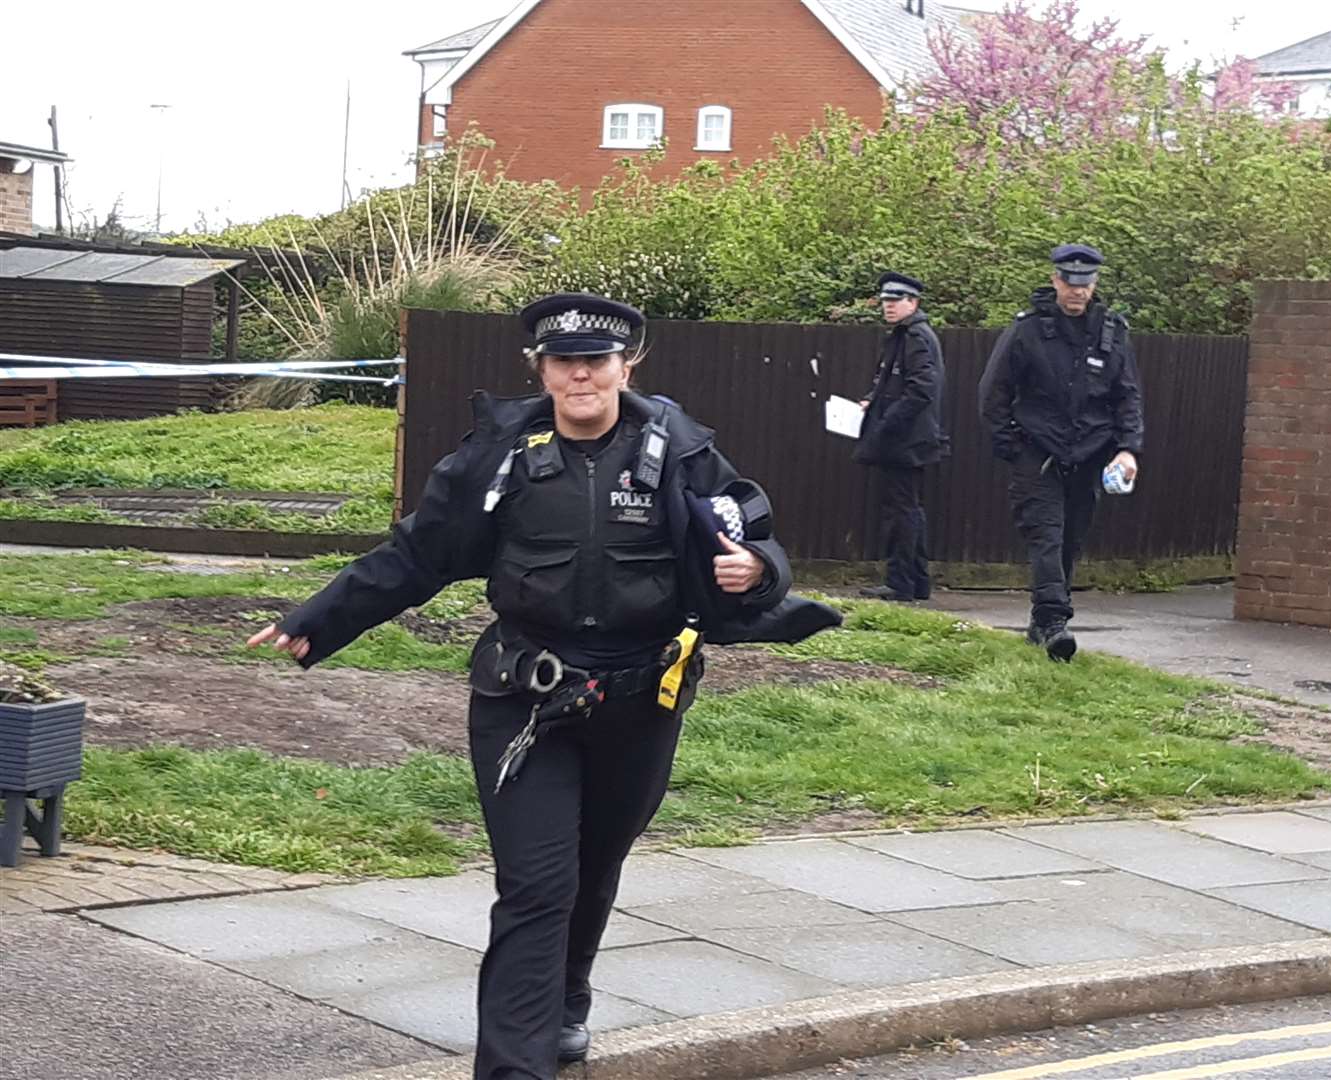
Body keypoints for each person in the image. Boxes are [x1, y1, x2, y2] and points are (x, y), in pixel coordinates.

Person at [246, 292, 839, 1080]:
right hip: (525, 703)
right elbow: (418, 554)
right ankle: (514, 1069)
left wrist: (760, 569)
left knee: (595, 870)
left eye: (598, 360)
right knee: (536, 887)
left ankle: (567, 1001)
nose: (583, 375)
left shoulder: (682, 452)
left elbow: (750, 537)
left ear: (628, 365)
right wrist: (322, 616)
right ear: (542, 369)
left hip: (642, 702)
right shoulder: (497, 458)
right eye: (566, 361)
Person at [978, 244, 1144, 662]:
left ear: (1095, 284)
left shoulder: (1112, 330)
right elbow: (993, 393)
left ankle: (1041, 623)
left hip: (1089, 455)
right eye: (1070, 283)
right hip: (1037, 452)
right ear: (1055, 281)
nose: (1077, 292)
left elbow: (1128, 396)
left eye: (1085, 284)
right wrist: (1011, 447)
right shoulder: (1027, 330)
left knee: (1070, 539)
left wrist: (1128, 449)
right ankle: (1055, 623)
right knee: (1046, 535)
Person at [854, 271, 947, 602]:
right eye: (886, 301)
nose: (889, 307)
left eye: (896, 301)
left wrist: (885, 424)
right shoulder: (903, 335)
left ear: (914, 302)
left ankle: (901, 584)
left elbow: (921, 390)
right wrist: (871, 401)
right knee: (909, 509)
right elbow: (891, 383)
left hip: (906, 440)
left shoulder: (916, 337)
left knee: (900, 512)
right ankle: (916, 582)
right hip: (907, 438)